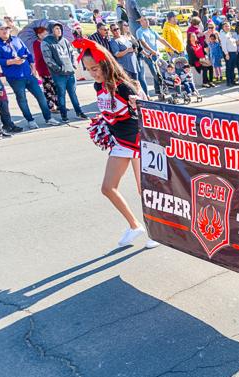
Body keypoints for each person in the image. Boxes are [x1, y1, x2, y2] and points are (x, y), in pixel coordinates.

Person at [73, 38, 157, 249]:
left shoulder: (125, 87)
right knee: (108, 188)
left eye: (95, 68)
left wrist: (139, 101)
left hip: (138, 141)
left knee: (143, 190)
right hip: (120, 142)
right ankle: (135, 225)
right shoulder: (97, 86)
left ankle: (157, 231)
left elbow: (145, 112)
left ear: (105, 63)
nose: (93, 73)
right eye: (89, 69)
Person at [0, 20, 58, 129]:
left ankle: (48, 118)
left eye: (6, 28)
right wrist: (11, 61)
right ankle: (30, 120)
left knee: (41, 96)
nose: (4, 31)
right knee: (22, 99)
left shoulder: (16, 39)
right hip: (14, 77)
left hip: (28, 74)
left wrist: (32, 66)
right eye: (1, 29)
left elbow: (28, 53)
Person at [42, 21, 87, 122]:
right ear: (51, 30)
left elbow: (72, 54)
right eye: (56, 28)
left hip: (70, 72)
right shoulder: (46, 42)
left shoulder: (65, 41)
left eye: (59, 28)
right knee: (61, 94)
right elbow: (48, 59)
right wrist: (59, 69)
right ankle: (64, 114)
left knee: (73, 94)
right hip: (59, 75)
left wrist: (74, 65)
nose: (59, 30)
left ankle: (79, 112)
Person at [136, 16, 177, 97]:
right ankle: (161, 90)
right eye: (144, 20)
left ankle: (159, 91)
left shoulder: (151, 30)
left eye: (146, 19)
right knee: (155, 73)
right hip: (148, 55)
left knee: (159, 72)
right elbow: (143, 43)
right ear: (140, 22)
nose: (146, 21)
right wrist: (152, 51)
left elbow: (161, 39)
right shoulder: (139, 31)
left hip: (156, 54)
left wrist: (172, 48)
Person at [32, 26, 58, 113]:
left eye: (46, 33)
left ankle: (59, 105)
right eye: (43, 34)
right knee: (48, 89)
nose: (45, 35)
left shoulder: (48, 41)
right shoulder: (36, 43)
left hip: (52, 67)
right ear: (38, 35)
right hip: (43, 68)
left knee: (56, 87)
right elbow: (40, 56)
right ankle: (51, 107)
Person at [219, 21, 239, 85]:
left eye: (228, 26)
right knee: (229, 67)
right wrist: (226, 54)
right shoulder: (223, 35)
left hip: (233, 52)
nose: (227, 27)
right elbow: (223, 45)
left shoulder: (229, 33)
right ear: (223, 27)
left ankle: (233, 80)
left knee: (232, 67)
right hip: (228, 53)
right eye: (225, 26)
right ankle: (229, 81)